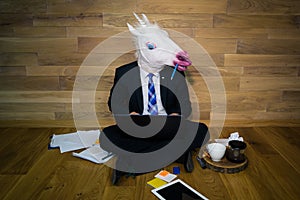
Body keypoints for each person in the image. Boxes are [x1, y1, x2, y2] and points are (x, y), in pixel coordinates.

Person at [99, 13, 209, 185]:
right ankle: (178, 153)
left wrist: (174, 114)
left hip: (167, 125)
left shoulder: (175, 73)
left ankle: (132, 160)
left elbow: (185, 107)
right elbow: (114, 104)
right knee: (105, 137)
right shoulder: (123, 72)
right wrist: (130, 114)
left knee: (202, 131)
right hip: (138, 124)